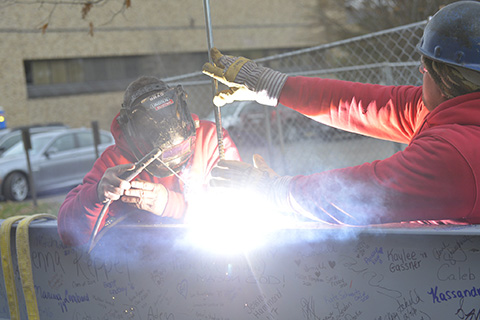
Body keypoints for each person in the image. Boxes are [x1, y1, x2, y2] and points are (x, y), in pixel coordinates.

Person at [202, 1, 480, 226]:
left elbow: (363, 196)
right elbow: (361, 105)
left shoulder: (457, 153)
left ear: (445, 79)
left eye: (424, 68)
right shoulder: (460, 113)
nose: (421, 75)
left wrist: (273, 190)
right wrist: (270, 85)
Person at [57, 76, 241, 246]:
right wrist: (96, 194)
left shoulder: (211, 139)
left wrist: (171, 204)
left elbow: (236, 211)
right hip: (140, 262)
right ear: (132, 130)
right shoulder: (115, 162)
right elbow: (70, 236)